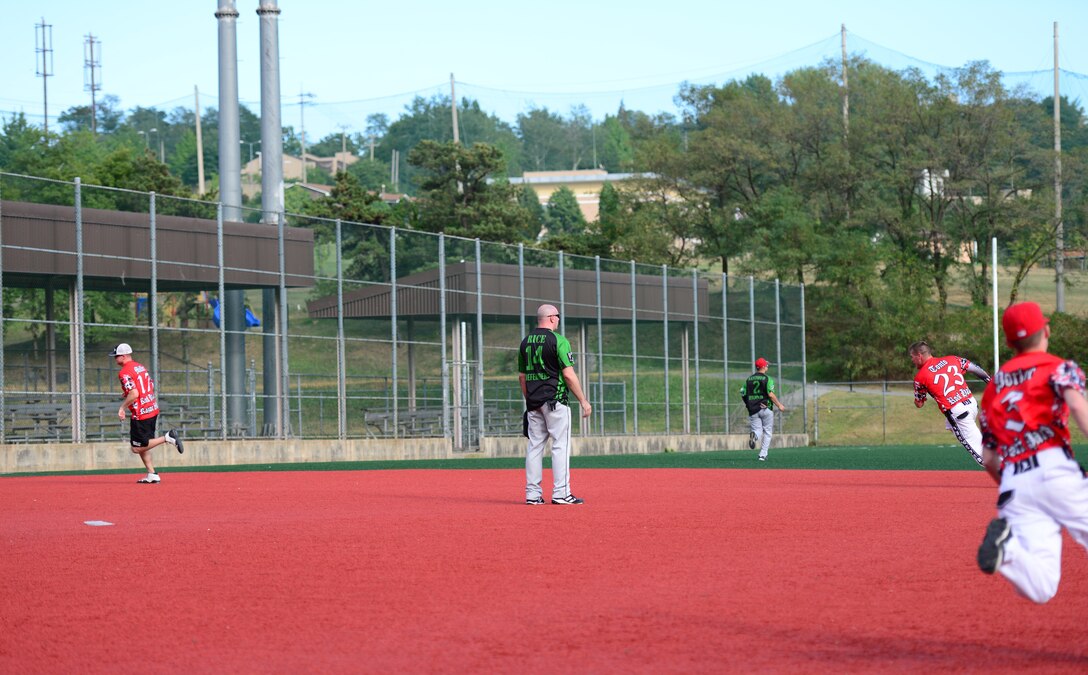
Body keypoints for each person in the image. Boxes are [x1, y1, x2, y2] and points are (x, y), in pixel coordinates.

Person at [975, 302, 1088, 603]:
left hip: (1014, 483)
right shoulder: (1059, 367)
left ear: (1010, 343)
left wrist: (1018, 484)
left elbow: (988, 458)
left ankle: (1007, 549)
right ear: (1046, 330)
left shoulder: (993, 389)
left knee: (1041, 587)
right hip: (1055, 469)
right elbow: (1077, 406)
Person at [517, 304, 592, 505]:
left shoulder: (525, 343)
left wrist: (529, 400)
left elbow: (522, 377)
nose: (558, 319)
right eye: (557, 316)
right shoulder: (558, 341)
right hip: (555, 400)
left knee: (534, 447)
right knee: (560, 446)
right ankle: (561, 493)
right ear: (551, 318)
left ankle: (532, 495)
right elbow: (568, 374)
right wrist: (583, 400)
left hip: (534, 402)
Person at [909, 341, 991, 466]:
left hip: (958, 413)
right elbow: (976, 369)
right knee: (951, 424)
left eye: (912, 357)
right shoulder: (952, 359)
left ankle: (1013, 473)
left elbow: (919, 404)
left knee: (982, 456)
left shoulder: (920, 377)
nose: (912, 360)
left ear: (919, 356)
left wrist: (919, 397)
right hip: (971, 404)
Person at [111, 343, 184, 483]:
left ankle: (168, 438)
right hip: (151, 407)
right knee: (143, 444)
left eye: (117, 356)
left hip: (141, 412)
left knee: (136, 448)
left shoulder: (124, 372)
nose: (115, 359)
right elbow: (149, 385)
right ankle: (152, 474)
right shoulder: (140, 366)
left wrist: (122, 408)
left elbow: (134, 393)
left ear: (124, 356)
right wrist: (128, 393)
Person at [740, 357, 786, 461]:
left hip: (753, 409)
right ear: (764, 367)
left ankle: (754, 436)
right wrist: (779, 405)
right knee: (767, 432)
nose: (767, 366)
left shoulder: (749, 379)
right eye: (766, 365)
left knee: (757, 430)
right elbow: (770, 394)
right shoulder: (767, 379)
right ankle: (762, 455)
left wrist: (748, 404)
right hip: (765, 408)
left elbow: (742, 393)